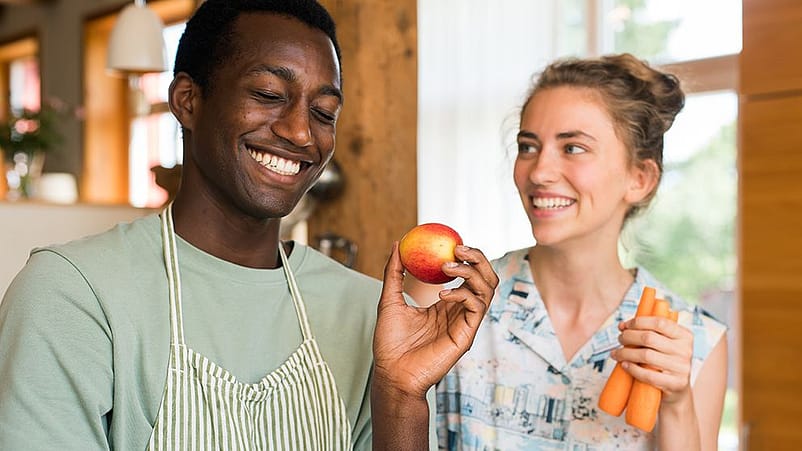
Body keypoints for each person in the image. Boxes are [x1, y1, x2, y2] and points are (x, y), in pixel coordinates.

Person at [0, 1, 497, 449]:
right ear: (187, 101)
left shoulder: (368, 312)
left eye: (324, 112)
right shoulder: (72, 294)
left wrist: (402, 395)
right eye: (268, 93)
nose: (302, 132)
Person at [433, 54, 728, 450]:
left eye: (572, 148)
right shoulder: (452, 298)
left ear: (639, 179)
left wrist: (676, 405)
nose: (538, 173)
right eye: (528, 146)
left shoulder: (697, 340)